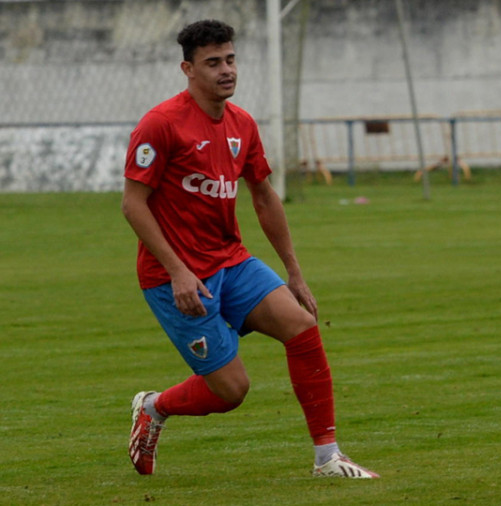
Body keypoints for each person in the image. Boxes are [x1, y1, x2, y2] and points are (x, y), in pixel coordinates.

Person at [122, 19, 378, 479]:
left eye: (231, 59)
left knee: (302, 327)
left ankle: (328, 458)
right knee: (231, 391)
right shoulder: (161, 125)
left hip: (230, 260)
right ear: (188, 69)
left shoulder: (242, 124)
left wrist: (294, 272)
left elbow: (263, 197)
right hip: (175, 277)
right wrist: (178, 271)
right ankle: (155, 406)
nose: (227, 70)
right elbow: (132, 204)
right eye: (213, 62)